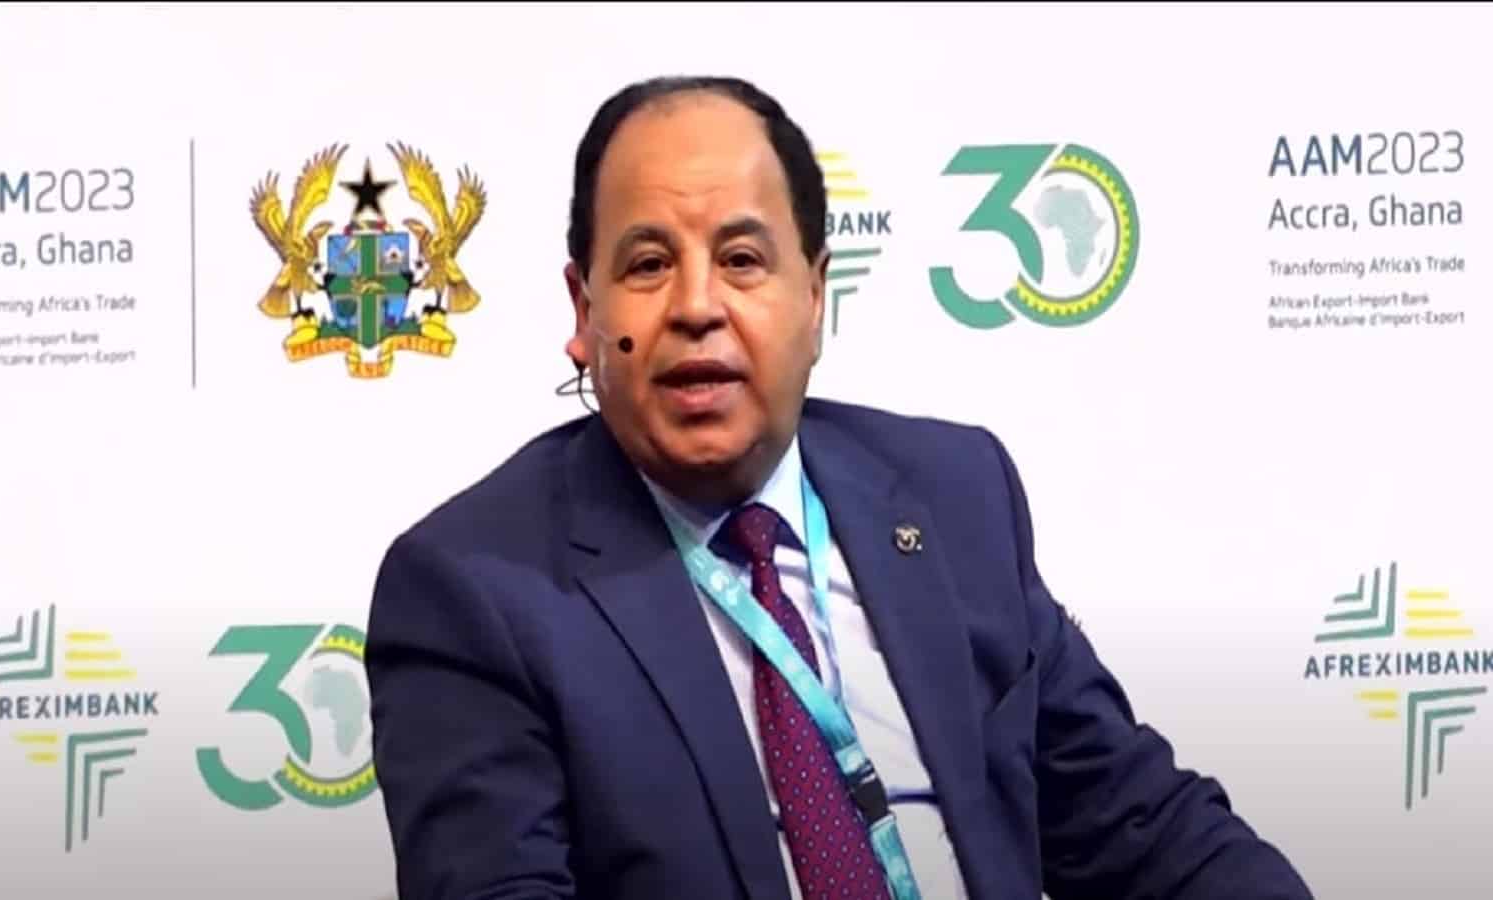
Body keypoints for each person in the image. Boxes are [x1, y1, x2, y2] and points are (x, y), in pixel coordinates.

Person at [365, 75, 1314, 900]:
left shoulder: (956, 496)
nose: (697, 307)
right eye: (649, 265)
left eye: (742, 260)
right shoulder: (473, 590)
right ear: (584, 311)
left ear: (816, 297)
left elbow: (1138, 827)